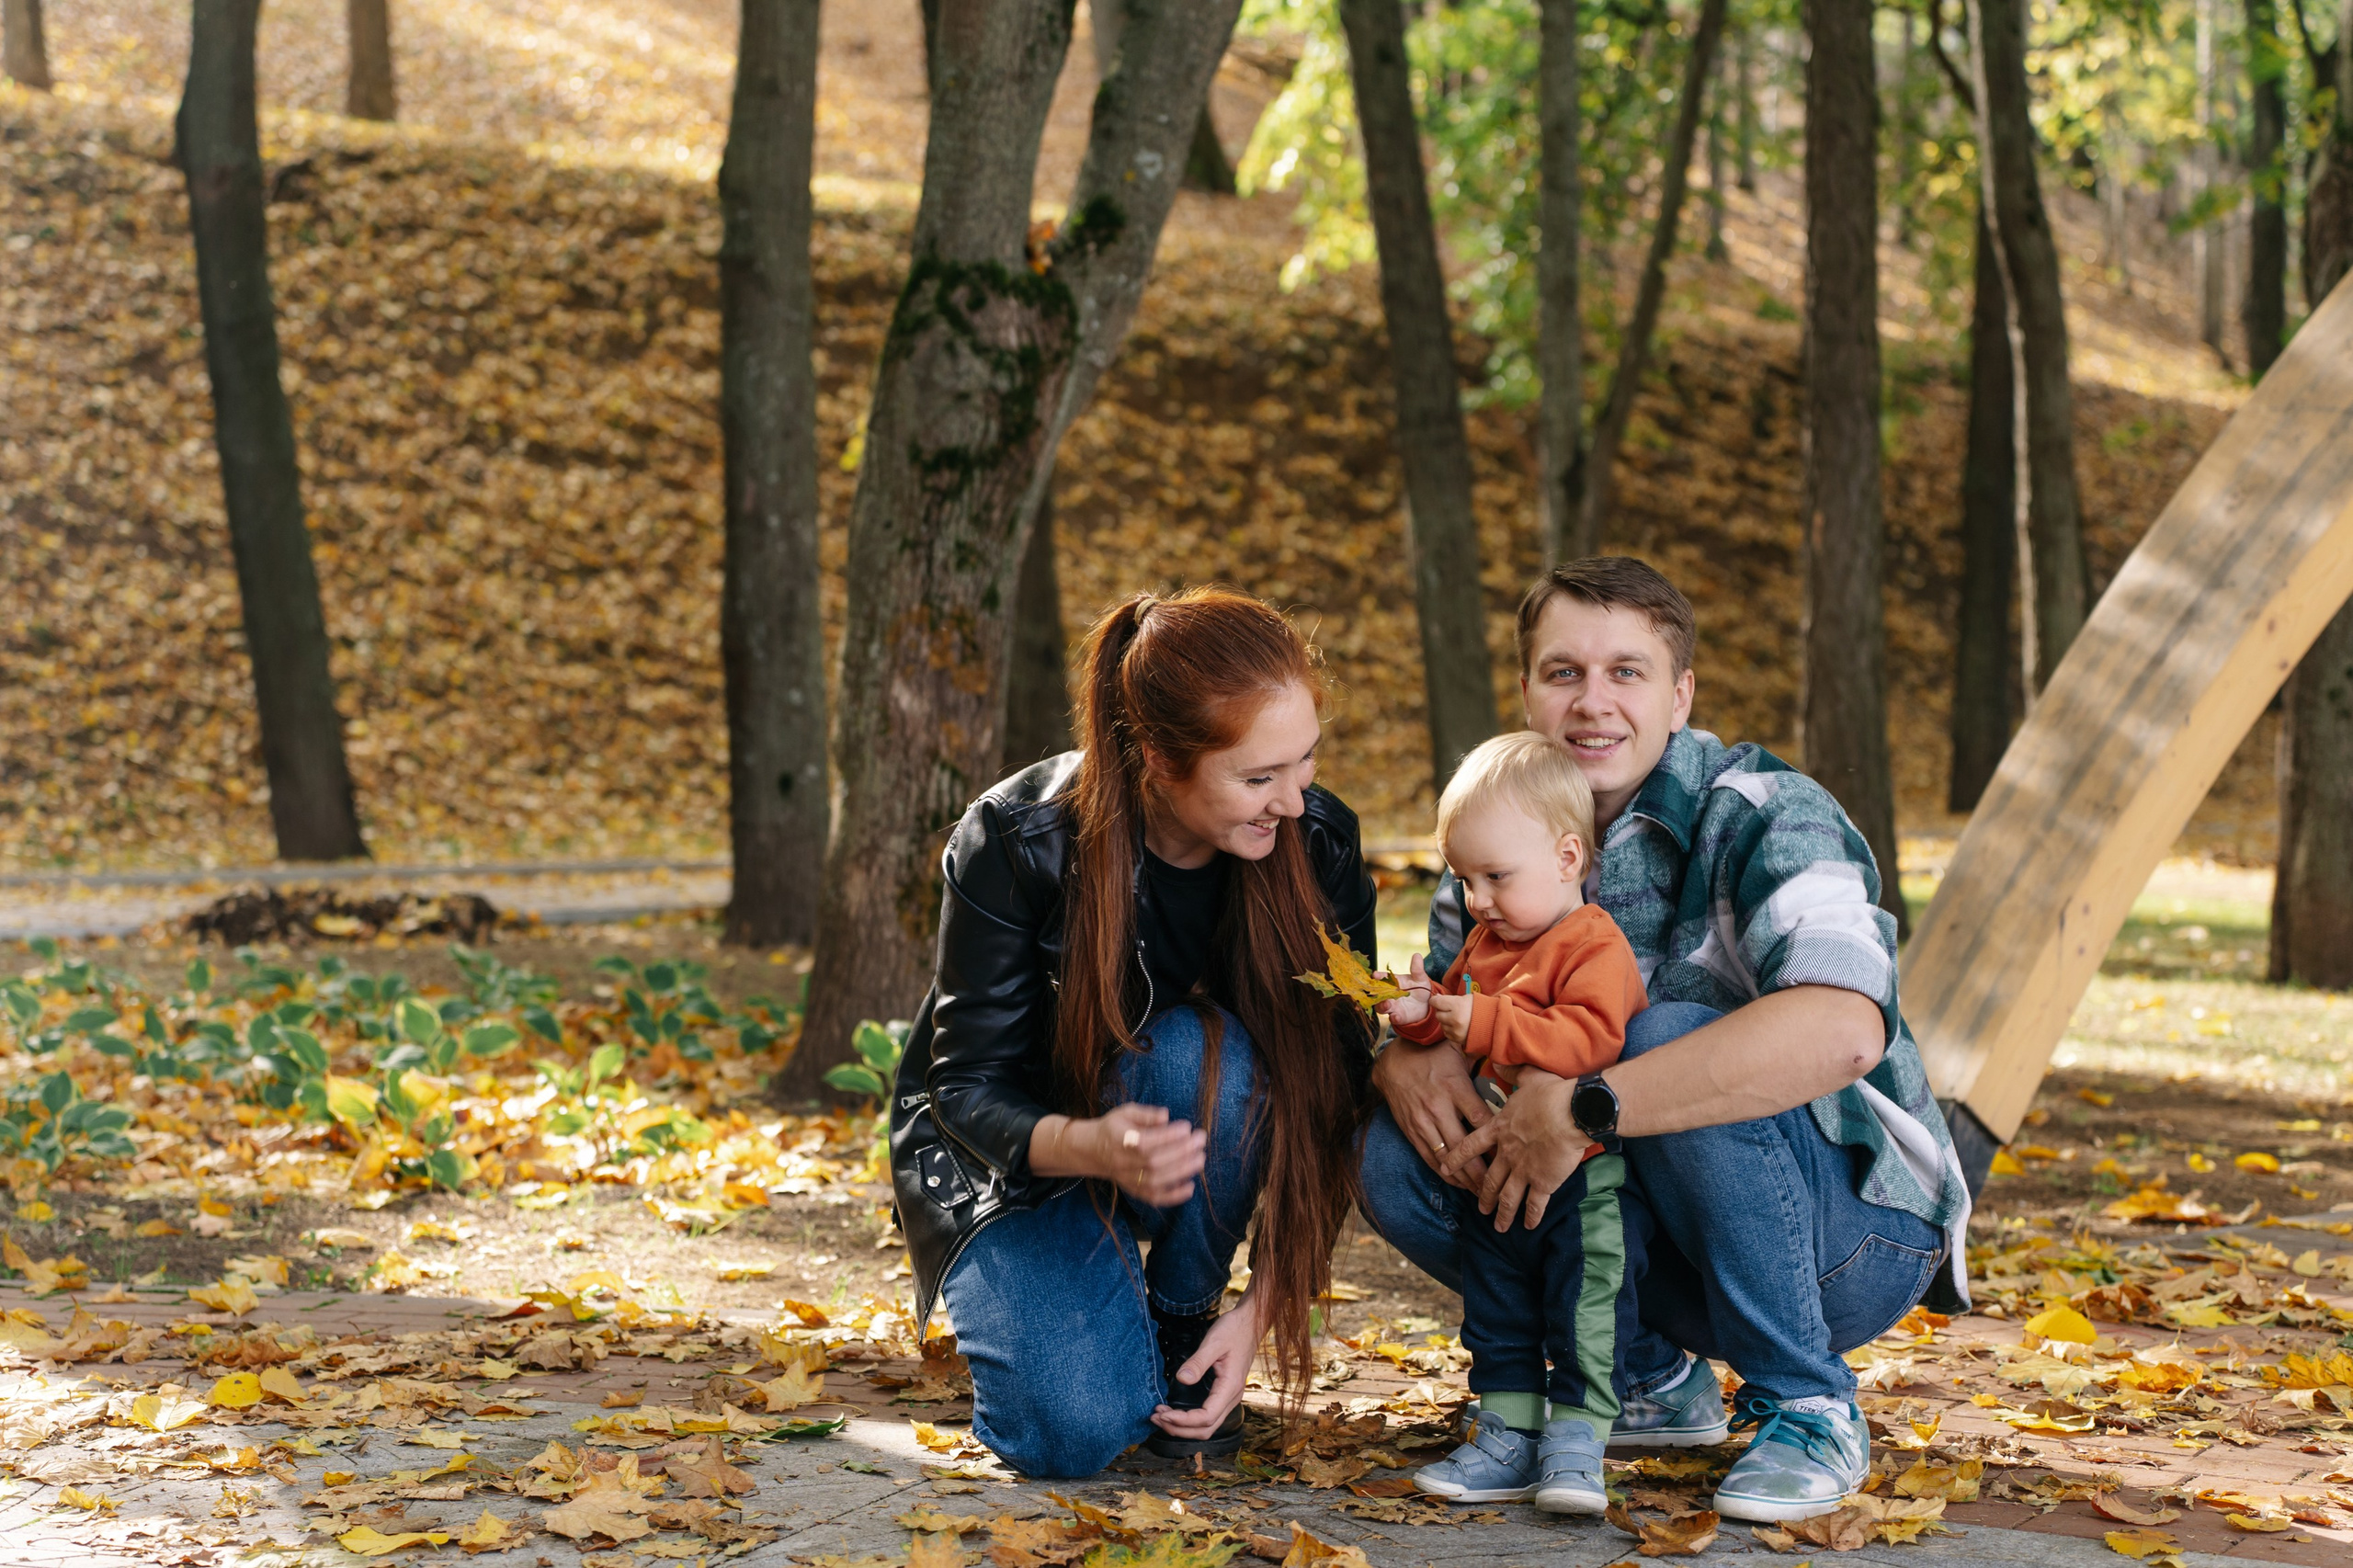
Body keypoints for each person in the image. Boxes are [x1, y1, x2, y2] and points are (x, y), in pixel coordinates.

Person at [1360, 557, 1973, 1523]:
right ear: (1526, 691)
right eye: (1562, 672)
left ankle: (1808, 1401)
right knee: (1396, 1151)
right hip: (1649, 1237)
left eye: (1627, 672)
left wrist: (1586, 1106)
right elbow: (1446, 1011)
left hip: (1850, 1235)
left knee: (1670, 1033)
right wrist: (1406, 1051)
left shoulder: (1767, 808)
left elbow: (1843, 1027)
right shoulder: (1499, 844)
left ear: (1680, 695)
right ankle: (1645, 1375)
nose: (1591, 701)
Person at [892, 587, 1379, 1479]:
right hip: (1017, 1160)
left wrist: (1261, 1310)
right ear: (1159, 758)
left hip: (1184, 1126)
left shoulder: (1320, 845)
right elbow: (962, 1086)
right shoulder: (1017, 837)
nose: (1293, 799)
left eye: (1305, 759)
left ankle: (1183, 1317)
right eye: (1258, 777)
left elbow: (1334, 1094)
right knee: (1070, 1434)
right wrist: (1087, 1146)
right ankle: (1090, 1299)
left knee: (1201, 1051)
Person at [1379, 732, 1647, 1515]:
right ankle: (1507, 1432)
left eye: (1496, 876)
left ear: (1567, 858)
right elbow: (1457, 1033)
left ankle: (1579, 1442)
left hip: (1585, 1177)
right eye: (1465, 879)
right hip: (1500, 1167)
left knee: (1586, 1302)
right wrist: (1420, 1015)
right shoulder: (1487, 942)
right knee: (1495, 1302)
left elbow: (1593, 1042)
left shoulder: (1592, 943)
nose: (1477, 899)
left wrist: (1486, 1022)